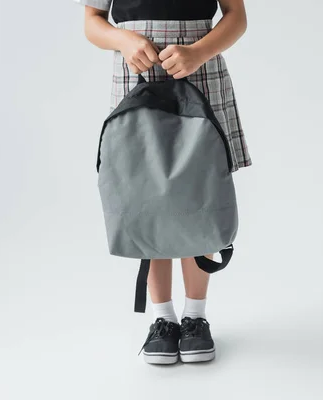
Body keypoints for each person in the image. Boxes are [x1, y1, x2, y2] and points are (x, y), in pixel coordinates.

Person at [73, 0, 252, 364]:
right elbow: (92, 22)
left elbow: (237, 16)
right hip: (136, 69)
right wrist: (122, 40)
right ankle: (163, 319)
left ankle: (195, 317)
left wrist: (199, 52)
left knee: (196, 188)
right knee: (145, 191)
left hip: (198, 68)